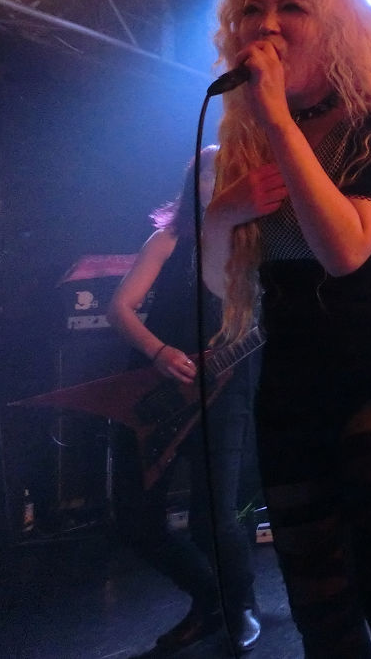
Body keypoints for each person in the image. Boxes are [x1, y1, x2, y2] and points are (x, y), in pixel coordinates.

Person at [201, 0, 371, 658]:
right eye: (253, 10)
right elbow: (219, 285)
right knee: (321, 600)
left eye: (292, 7)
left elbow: (345, 250)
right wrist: (220, 215)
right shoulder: (247, 138)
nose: (268, 24)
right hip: (294, 380)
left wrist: (279, 123)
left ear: (335, 26)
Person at [107, 146, 262, 657]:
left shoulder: (255, 247)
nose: (216, 183)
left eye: (227, 174)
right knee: (134, 517)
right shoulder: (168, 239)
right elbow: (120, 307)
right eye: (207, 174)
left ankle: (236, 607)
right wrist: (158, 352)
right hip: (155, 392)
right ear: (192, 183)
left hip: (225, 394)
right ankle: (214, 600)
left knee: (213, 517)